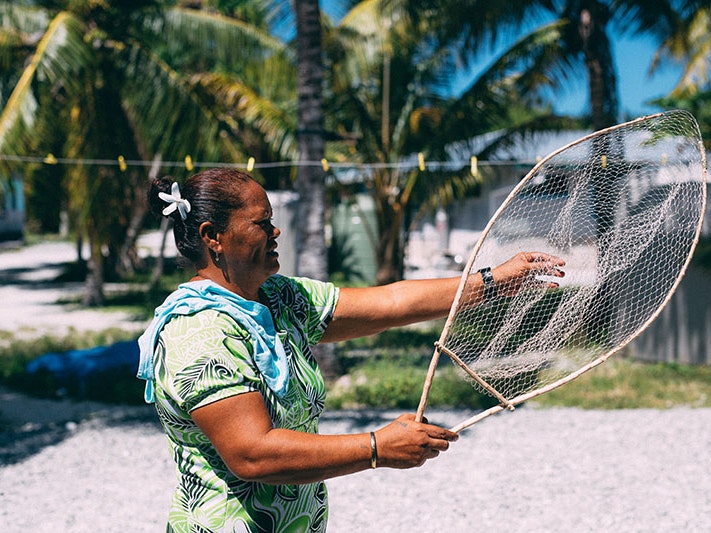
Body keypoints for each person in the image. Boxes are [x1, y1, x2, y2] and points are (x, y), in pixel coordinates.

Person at [137, 168, 565, 532]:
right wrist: (377, 447)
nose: (275, 231)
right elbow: (254, 453)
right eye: (261, 223)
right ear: (214, 237)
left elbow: (391, 302)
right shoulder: (199, 331)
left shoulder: (278, 298)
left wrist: (490, 283)